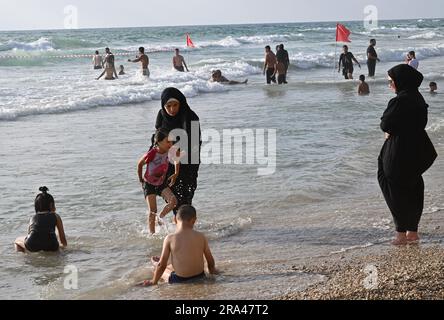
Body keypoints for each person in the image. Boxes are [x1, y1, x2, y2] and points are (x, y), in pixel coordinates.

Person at [378, 64, 437, 246]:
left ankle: (401, 234)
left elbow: (385, 124)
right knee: (413, 187)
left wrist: (389, 131)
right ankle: (412, 232)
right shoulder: (418, 98)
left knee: (392, 186)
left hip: (399, 150)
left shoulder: (399, 101)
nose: (389, 84)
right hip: (417, 148)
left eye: (391, 81)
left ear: (400, 81)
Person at [140, 205, 217, 286]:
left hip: (180, 280)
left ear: (175, 220)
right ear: (194, 220)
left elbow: (162, 265)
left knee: (159, 269)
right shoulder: (201, 236)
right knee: (171, 266)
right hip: (200, 276)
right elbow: (210, 261)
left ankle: (155, 264)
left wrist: (154, 281)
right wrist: (213, 273)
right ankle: (167, 266)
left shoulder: (170, 238)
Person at [154, 88, 201, 212]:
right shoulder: (161, 115)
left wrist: (179, 156)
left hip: (189, 162)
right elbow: (157, 139)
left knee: (186, 197)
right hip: (168, 162)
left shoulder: (191, 117)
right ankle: (180, 223)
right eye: (168, 106)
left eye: (175, 105)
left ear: (181, 103)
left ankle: (185, 225)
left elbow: (194, 143)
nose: (172, 109)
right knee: (173, 198)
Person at [138, 129, 179, 234]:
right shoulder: (152, 153)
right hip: (149, 184)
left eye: (171, 141)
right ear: (158, 142)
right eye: (167, 141)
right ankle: (152, 234)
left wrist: (176, 173)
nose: (170, 144)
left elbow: (176, 159)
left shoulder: (170, 150)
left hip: (161, 183)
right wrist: (140, 179)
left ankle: (160, 217)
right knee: (153, 210)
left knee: (173, 201)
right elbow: (140, 164)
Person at [14, 187, 67, 253]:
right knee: (56, 242)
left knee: (17, 240)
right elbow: (62, 239)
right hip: (52, 245)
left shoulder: (33, 217)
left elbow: (30, 234)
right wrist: (62, 249)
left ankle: (24, 257)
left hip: (33, 245)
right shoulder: (56, 216)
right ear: (51, 205)